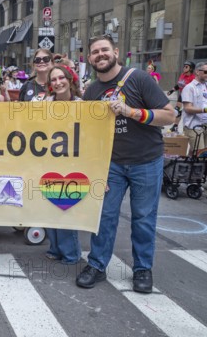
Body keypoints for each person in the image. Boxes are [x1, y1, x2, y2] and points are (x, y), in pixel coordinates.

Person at [76, 34, 175, 293]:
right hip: (111, 165)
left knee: (143, 218)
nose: (100, 55)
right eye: (95, 52)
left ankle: (142, 269)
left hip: (146, 161)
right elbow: (89, 134)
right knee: (104, 216)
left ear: (116, 52)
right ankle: (97, 265)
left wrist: (132, 112)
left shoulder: (139, 78)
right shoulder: (92, 91)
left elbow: (169, 116)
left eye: (104, 50)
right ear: (90, 59)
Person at [43, 65, 82, 264]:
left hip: (74, 164)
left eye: (61, 78)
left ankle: (70, 252)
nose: (58, 83)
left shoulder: (82, 105)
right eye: (54, 80)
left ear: (70, 79)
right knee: (50, 207)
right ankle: (55, 248)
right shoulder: (44, 104)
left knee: (66, 209)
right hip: (49, 162)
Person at [181, 62, 207, 153]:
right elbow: (188, 108)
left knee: (202, 154)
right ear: (197, 72)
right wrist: (204, 110)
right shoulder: (189, 88)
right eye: (205, 72)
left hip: (205, 125)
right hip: (193, 126)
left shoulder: (206, 86)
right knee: (198, 154)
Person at [168, 61, 195, 132]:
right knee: (177, 110)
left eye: (186, 67)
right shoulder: (182, 75)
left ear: (191, 69)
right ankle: (175, 126)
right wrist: (171, 90)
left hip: (189, 97)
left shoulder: (193, 78)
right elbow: (179, 85)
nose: (184, 68)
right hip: (182, 94)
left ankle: (188, 127)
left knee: (186, 112)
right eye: (184, 66)